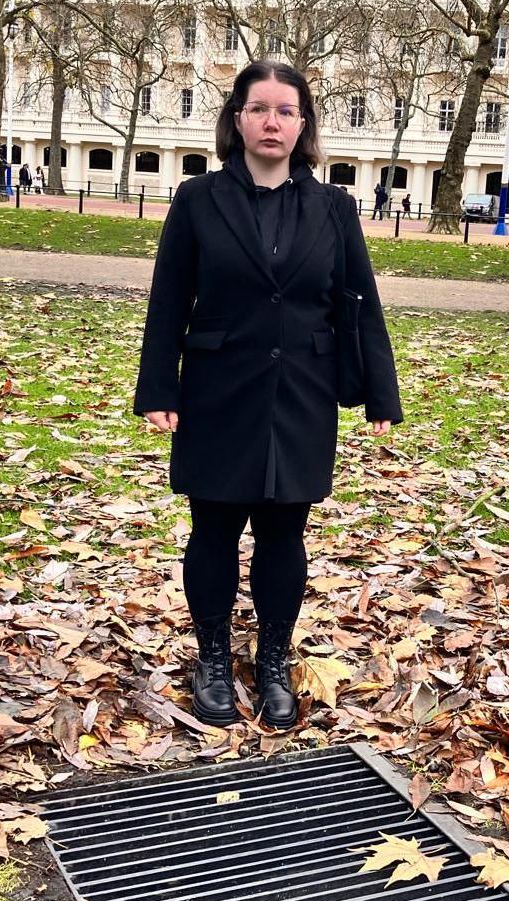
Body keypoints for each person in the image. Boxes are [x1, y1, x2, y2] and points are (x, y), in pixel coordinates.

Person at [132, 59, 403, 732]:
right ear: (237, 119)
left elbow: (357, 302)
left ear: (303, 124)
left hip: (302, 394)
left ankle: (275, 659)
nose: (272, 120)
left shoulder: (333, 207)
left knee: (285, 532)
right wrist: (157, 388)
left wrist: (380, 391)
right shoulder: (198, 200)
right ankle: (215, 659)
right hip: (219, 390)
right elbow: (169, 301)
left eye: (286, 110)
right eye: (259, 108)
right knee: (215, 529)